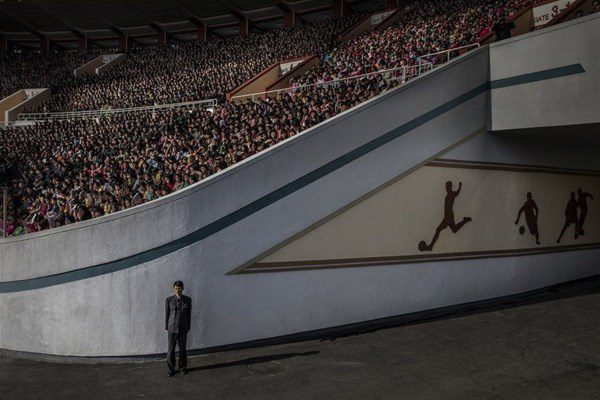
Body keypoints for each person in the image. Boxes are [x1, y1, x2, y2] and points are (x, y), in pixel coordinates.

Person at [420, 181, 472, 251]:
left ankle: (431, 246)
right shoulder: (449, 194)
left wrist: (459, 187)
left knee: (438, 229)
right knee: (454, 229)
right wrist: (459, 187)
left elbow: (457, 193)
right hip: (448, 216)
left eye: (447, 186)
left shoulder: (451, 193)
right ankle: (465, 220)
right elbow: (457, 193)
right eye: (446, 187)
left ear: (450, 187)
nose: (446, 188)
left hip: (448, 216)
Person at [165, 280, 192, 377]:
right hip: (172, 328)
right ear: (174, 289)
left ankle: (182, 367)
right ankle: (171, 369)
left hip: (183, 328)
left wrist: (188, 326)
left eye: (180, 288)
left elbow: (189, 314)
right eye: (176, 288)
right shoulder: (169, 300)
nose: (178, 290)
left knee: (182, 350)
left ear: (183, 288)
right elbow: (167, 314)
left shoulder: (188, 300)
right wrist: (166, 327)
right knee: (171, 350)